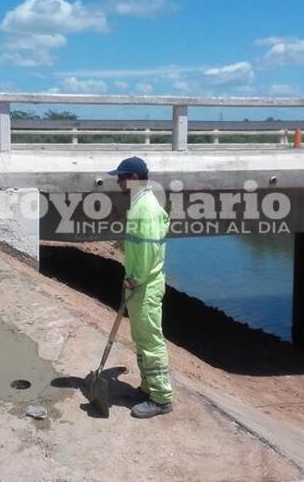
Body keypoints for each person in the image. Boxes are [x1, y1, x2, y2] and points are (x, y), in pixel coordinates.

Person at [108, 156, 173, 419]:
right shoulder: (140, 203)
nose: (118, 182)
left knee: (151, 343)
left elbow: (147, 251)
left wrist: (134, 279)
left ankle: (161, 398)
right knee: (142, 341)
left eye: (121, 177)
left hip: (144, 286)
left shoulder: (145, 208)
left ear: (134, 178)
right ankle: (147, 388)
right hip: (140, 285)